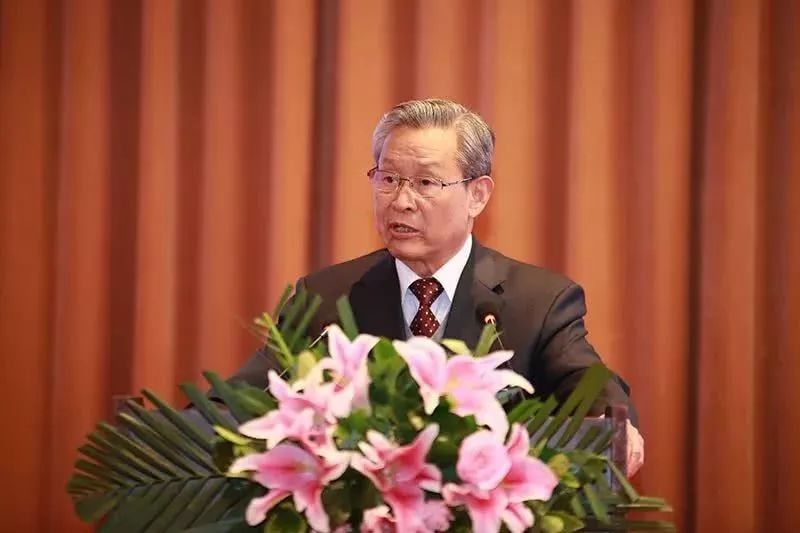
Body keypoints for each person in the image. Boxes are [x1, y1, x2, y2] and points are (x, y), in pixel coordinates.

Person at [229, 98, 644, 474]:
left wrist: (616, 426)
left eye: (425, 183)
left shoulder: (538, 302)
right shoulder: (327, 297)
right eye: (388, 179)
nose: (400, 201)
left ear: (477, 195)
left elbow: (594, 392)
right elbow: (239, 402)